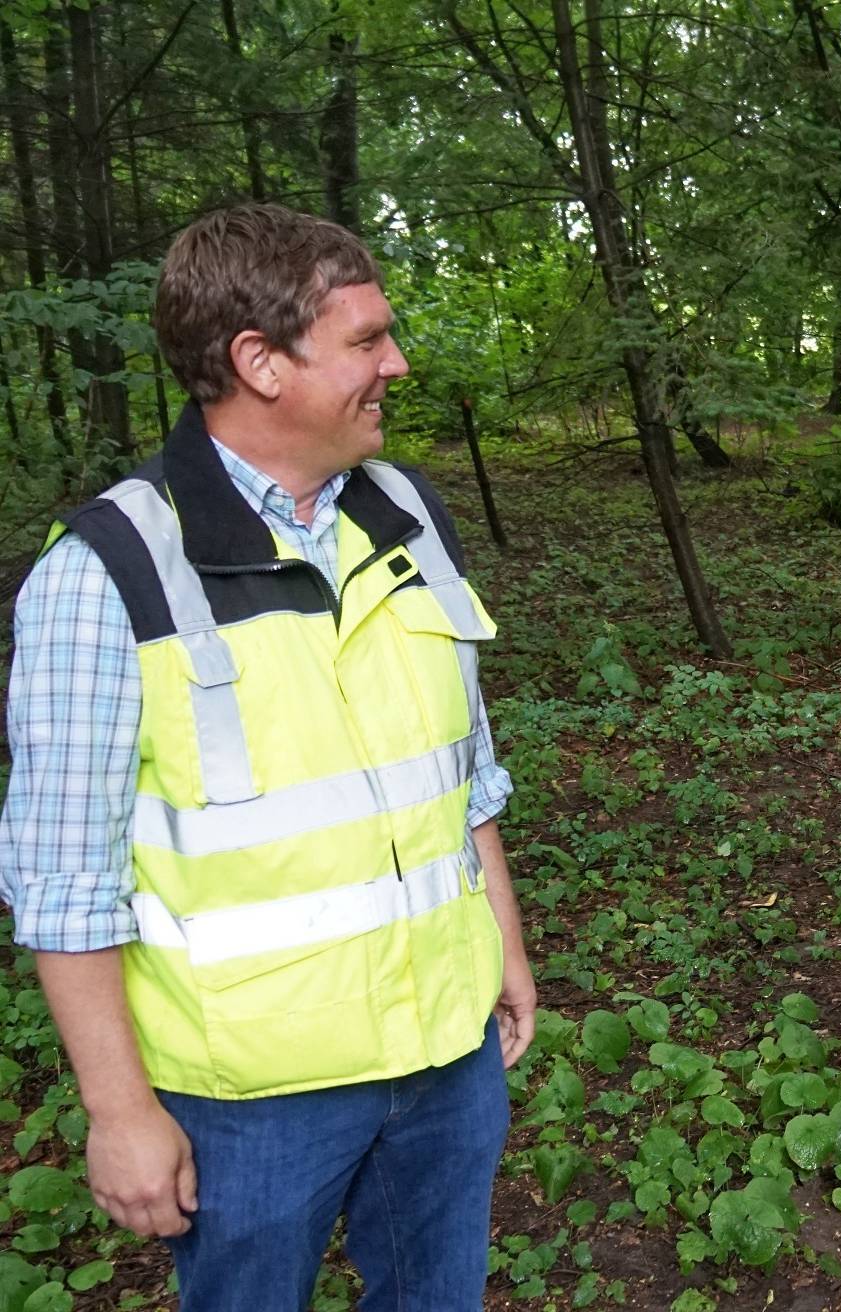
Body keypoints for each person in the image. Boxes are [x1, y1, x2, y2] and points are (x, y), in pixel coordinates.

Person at [0, 204, 535, 1309]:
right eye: (365, 340)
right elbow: (61, 882)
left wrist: (504, 950)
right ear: (259, 362)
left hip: (446, 1059)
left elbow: (461, 772)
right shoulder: (107, 573)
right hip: (250, 1104)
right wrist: (119, 1111)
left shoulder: (405, 513)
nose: (397, 362)